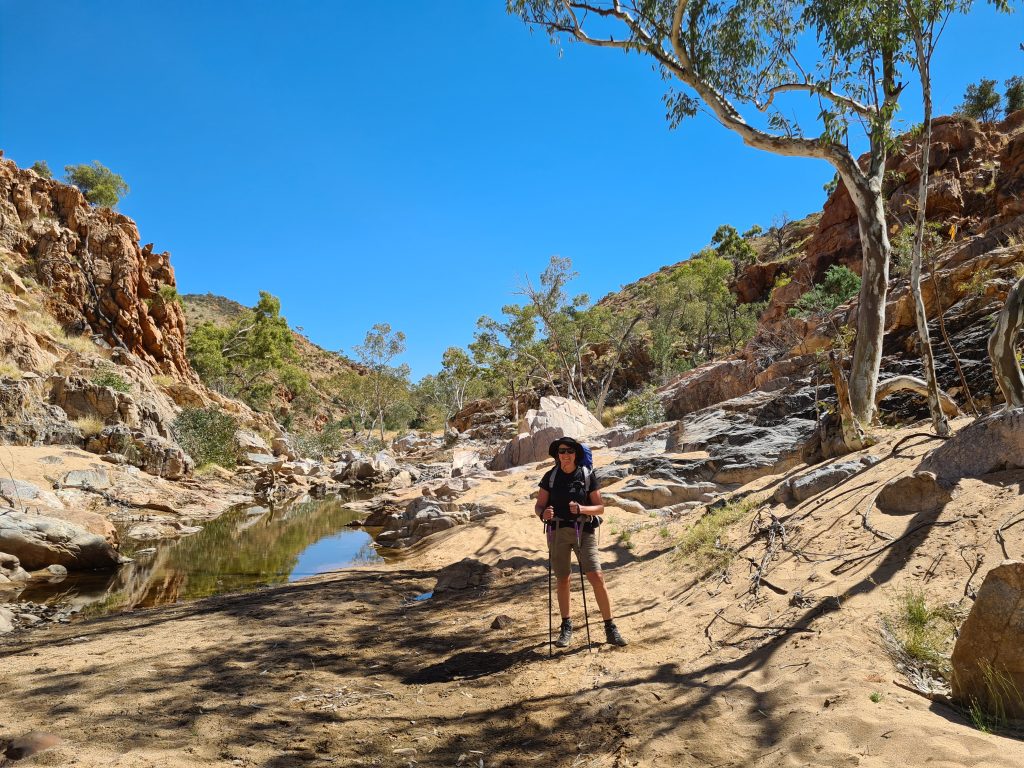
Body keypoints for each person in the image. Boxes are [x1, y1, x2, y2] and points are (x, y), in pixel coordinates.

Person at [535, 436, 627, 648]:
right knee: (563, 579)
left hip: (583, 531)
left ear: (576, 454)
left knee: (596, 576)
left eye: (569, 451)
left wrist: (582, 509)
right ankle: (566, 626)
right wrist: (543, 514)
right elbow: (539, 505)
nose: (565, 455)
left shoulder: (586, 475)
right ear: (557, 455)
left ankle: (610, 627)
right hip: (557, 532)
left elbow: (600, 508)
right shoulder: (550, 477)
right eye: (561, 451)